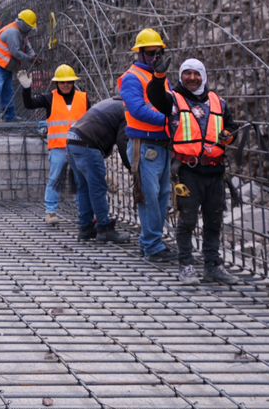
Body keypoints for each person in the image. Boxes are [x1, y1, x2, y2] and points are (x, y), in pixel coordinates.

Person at [168, 58, 239, 285]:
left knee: (213, 220)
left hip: (215, 171)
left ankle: (212, 266)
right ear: (181, 75)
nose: (192, 78)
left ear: (204, 76)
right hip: (188, 171)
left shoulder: (218, 102)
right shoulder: (172, 100)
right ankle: (186, 265)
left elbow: (232, 127)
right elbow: (154, 97)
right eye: (187, 73)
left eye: (196, 73)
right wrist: (158, 77)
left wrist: (228, 136)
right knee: (187, 220)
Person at [119, 28, 175, 262]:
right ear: (140, 53)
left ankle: (151, 242)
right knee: (149, 196)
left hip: (162, 144)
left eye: (158, 53)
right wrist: (168, 121)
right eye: (151, 53)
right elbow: (138, 109)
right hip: (144, 145)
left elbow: (171, 103)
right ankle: (152, 245)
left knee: (162, 195)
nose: (155, 58)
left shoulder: (161, 77)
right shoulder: (132, 78)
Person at [20, 64, 88, 225]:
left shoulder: (83, 98)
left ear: (73, 82)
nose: (66, 85)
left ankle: (84, 212)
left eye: (69, 82)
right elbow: (29, 104)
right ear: (57, 83)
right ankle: (51, 212)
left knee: (81, 180)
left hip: (79, 147)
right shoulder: (49, 98)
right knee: (55, 179)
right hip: (58, 148)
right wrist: (26, 89)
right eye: (62, 82)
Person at [63, 97, 129, 242]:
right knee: (97, 188)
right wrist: (131, 166)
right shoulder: (127, 110)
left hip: (72, 141)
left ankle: (85, 227)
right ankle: (104, 228)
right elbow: (122, 141)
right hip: (88, 145)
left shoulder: (112, 102)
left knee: (84, 188)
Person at [0, 11, 36, 122]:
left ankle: (10, 116)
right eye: (29, 26)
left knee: (7, 91)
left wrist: (34, 56)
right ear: (22, 23)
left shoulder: (22, 33)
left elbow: (27, 46)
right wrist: (30, 59)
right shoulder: (13, 32)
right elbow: (15, 52)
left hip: (5, 65)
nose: (30, 29)